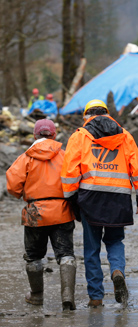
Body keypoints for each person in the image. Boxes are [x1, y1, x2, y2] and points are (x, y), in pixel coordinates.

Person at [61, 99, 138, 308]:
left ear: (87, 116)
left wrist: (71, 199)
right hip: (118, 198)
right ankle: (117, 271)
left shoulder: (79, 136)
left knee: (91, 249)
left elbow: (69, 172)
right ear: (107, 114)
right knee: (115, 241)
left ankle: (96, 298)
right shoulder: (125, 136)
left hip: (89, 198)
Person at [6, 119, 76, 311]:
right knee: (66, 254)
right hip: (62, 210)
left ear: (35, 136)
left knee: (34, 256)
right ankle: (67, 296)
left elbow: (12, 187)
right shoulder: (64, 156)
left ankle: (37, 296)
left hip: (34, 213)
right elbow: (74, 180)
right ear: (54, 135)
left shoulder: (26, 157)